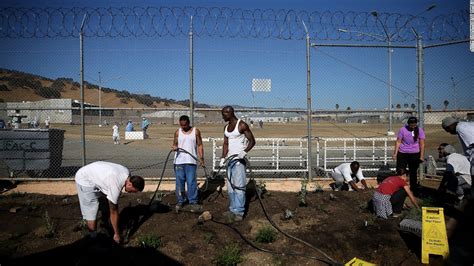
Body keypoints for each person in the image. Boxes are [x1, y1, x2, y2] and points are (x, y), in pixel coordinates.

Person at [75, 161, 144, 243]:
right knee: (92, 209)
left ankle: (105, 224)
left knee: (105, 201)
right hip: (85, 179)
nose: (132, 193)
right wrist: (117, 234)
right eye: (133, 191)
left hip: (95, 174)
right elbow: (114, 211)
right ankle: (93, 238)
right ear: (129, 184)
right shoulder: (116, 185)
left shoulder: (127, 174)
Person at [219, 106, 255, 222]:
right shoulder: (226, 127)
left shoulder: (242, 125)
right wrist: (223, 157)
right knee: (230, 186)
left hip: (239, 161)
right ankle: (232, 209)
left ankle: (239, 212)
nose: (223, 116)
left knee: (239, 186)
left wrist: (244, 152)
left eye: (224, 114)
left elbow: (252, 141)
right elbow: (225, 143)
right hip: (230, 160)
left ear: (230, 113)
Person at [172, 115, 204, 212]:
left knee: (191, 182)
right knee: (179, 183)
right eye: (182, 125)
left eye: (185, 125)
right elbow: (174, 144)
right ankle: (181, 200)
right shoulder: (177, 132)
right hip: (179, 162)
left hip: (191, 161)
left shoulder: (196, 132)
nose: (184, 127)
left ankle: (193, 201)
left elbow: (200, 145)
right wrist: (174, 147)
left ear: (189, 123)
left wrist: (201, 158)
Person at [442, 117, 474, 198]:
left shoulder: (461, 129)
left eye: (447, 130)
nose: (449, 132)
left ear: (449, 126)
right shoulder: (465, 125)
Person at [392, 116, 425, 192]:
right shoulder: (402, 130)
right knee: (400, 171)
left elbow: (422, 144)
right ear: (408, 124)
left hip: (415, 154)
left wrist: (422, 156)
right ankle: (399, 188)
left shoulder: (420, 130)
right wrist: (395, 154)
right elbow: (398, 142)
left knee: (413, 171)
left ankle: (413, 188)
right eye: (411, 125)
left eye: (414, 125)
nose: (412, 127)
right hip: (403, 153)